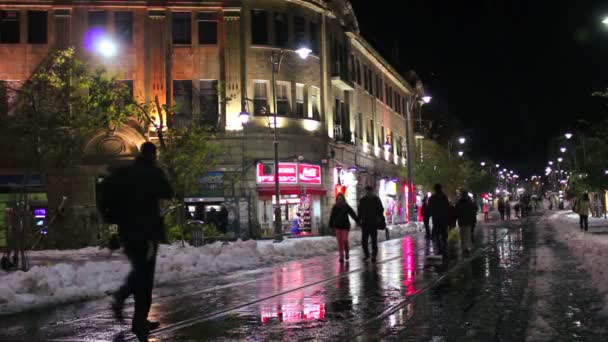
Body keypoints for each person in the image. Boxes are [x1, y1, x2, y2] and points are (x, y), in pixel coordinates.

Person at [110, 142, 173, 341]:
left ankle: (139, 320)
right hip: (147, 232)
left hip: (127, 231)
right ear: (153, 155)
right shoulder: (151, 173)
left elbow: (108, 198)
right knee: (144, 275)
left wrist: (114, 220)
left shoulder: (125, 173)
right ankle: (125, 299)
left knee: (139, 270)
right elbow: (168, 191)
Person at [329, 194, 359, 262]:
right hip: (337, 226)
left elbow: (352, 213)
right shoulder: (335, 207)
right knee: (339, 242)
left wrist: (357, 220)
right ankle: (341, 256)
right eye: (338, 199)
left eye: (341, 199)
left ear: (343, 199)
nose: (340, 200)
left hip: (345, 226)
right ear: (337, 200)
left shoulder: (346, 206)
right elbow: (332, 217)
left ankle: (347, 252)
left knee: (344, 240)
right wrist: (331, 225)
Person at [358, 185, 384, 262]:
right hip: (365, 223)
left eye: (369, 191)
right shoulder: (363, 200)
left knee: (373, 240)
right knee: (364, 240)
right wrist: (359, 219)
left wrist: (378, 218)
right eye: (366, 191)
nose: (368, 192)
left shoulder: (376, 199)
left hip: (373, 223)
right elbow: (360, 210)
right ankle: (367, 254)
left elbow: (380, 209)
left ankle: (374, 255)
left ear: (371, 191)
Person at [428, 184, 450, 260]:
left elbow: (429, 208)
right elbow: (447, 207)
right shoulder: (444, 197)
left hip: (436, 218)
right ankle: (444, 246)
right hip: (443, 218)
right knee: (444, 233)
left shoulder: (432, 198)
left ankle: (440, 247)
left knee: (437, 232)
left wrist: (432, 214)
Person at [455, 190, 477, 257]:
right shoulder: (470, 202)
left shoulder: (459, 202)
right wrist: (473, 221)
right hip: (467, 221)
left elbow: (456, 211)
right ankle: (466, 248)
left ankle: (463, 248)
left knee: (462, 235)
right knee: (467, 235)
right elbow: (473, 211)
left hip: (461, 221)